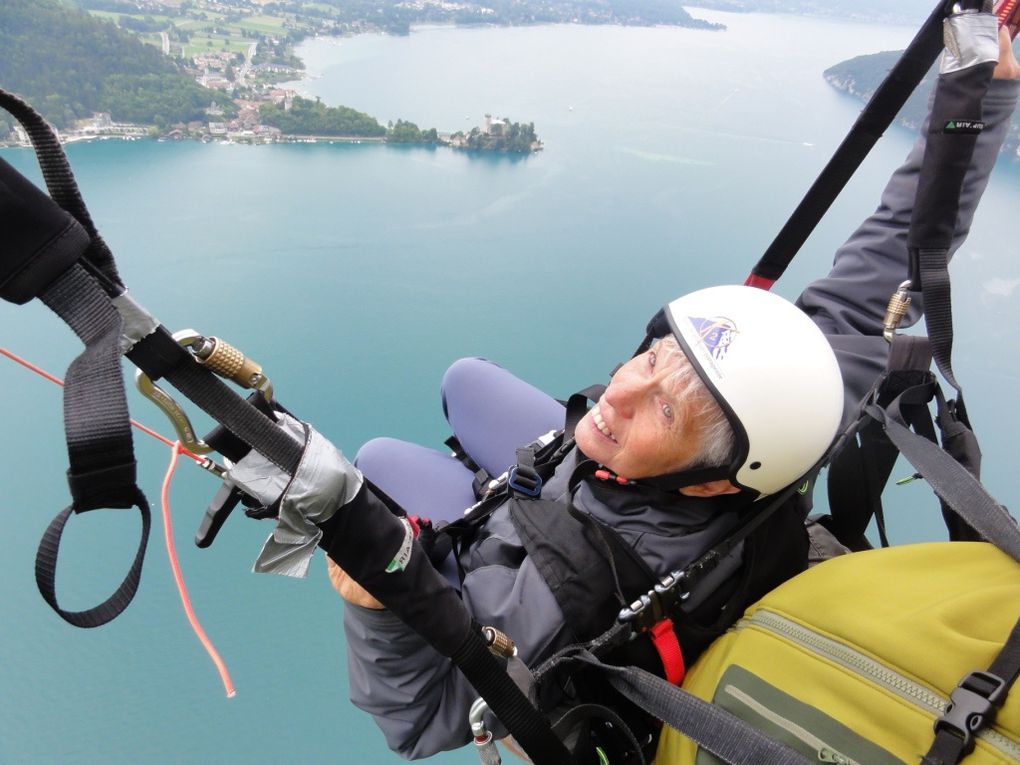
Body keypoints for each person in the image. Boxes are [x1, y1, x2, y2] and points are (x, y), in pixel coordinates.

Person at [316, 28, 1020, 760]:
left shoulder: (575, 592)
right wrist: (983, 91)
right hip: (583, 488)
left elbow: (421, 719)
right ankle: (510, 488)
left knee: (378, 462)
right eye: (657, 355)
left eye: (665, 406)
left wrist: (375, 608)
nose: (620, 389)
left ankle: (468, 532)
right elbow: (897, 243)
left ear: (714, 478)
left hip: (559, 547)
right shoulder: (786, 399)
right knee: (465, 381)